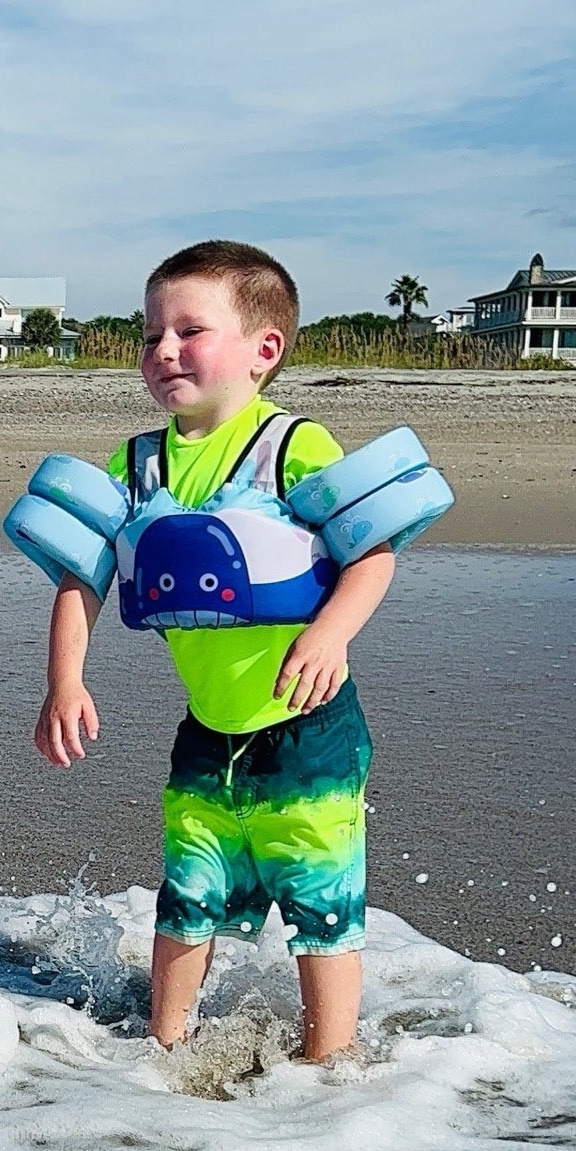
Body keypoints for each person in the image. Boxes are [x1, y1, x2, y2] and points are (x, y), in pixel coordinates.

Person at [35, 241, 395, 1061]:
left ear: (264, 349)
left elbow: (372, 554)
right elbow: (83, 577)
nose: (163, 349)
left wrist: (330, 633)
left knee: (321, 907)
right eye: (150, 334)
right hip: (206, 731)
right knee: (187, 897)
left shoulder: (294, 447)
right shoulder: (137, 464)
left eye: (189, 331)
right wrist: (65, 681)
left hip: (309, 727)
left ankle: (327, 1068)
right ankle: (164, 1053)